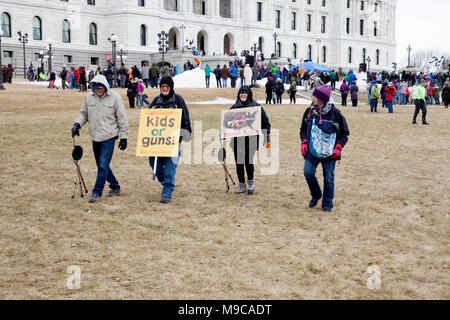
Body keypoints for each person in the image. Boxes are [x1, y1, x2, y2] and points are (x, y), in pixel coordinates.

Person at [71, 75, 129, 203]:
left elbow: (122, 118)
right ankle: (115, 186)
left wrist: (124, 137)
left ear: (105, 86)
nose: (98, 90)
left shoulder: (115, 98)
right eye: (96, 88)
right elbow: (84, 114)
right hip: (95, 136)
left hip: (109, 136)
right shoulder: (88, 98)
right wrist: (77, 124)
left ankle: (97, 192)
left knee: (102, 165)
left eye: (100, 88)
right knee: (102, 165)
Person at [300, 85, 350, 212]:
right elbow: (303, 130)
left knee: (328, 178)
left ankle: (327, 203)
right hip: (312, 150)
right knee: (308, 172)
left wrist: (338, 147)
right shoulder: (309, 111)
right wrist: (304, 142)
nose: (312, 98)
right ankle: (316, 194)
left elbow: (344, 133)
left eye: (315, 96)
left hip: (330, 152)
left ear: (322, 99)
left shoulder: (336, 114)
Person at [148, 76, 192, 203]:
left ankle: (167, 191)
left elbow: (185, 116)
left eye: (167, 86)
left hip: (174, 140)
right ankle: (166, 182)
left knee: (169, 165)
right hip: (158, 140)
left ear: (171, 87)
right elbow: (149, 119)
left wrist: (187, 130)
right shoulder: (156, 101)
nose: (165, 88)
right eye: (163, 86)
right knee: (153, 162)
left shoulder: (178, 100)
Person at [229, 86, 271, 195]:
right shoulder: (234, 107)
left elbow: (265, 122)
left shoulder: (256, 107)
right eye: (241, 93)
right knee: (239, 163)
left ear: (249, 94)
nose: (243, 95)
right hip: (237, 141)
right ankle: (241, 184)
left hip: (251, 141)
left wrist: (267, 136)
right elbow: (227, 123)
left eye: (245, 93)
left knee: (248, 162)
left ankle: (251, 183)